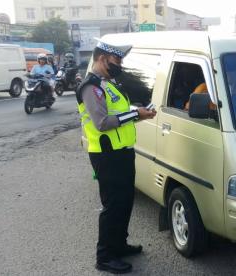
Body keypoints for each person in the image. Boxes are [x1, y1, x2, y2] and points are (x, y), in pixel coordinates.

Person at [75, 38, 157, 274]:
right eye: (116, 60)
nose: (119, 64)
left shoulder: (108, 84)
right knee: (113, 206)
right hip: (106, 155)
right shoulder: (92, 86)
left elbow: (120, 114)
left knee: (125, 201)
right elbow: (102, 122)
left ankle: (119, 245)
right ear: (102, 59)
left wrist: (141, 114)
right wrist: (134, 115)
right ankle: (105, 256)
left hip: (122, 152)